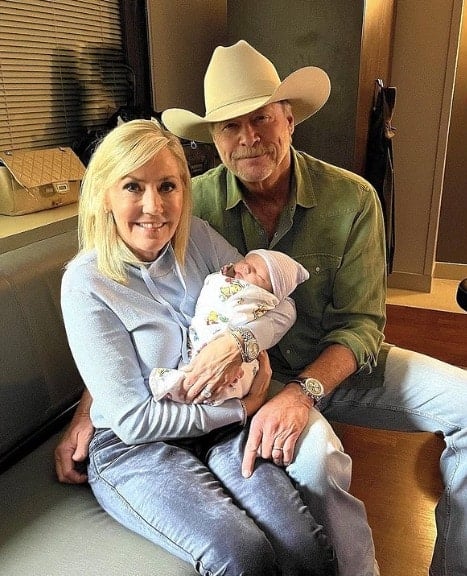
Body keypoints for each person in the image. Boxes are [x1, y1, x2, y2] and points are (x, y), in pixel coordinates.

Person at [54, 40, 467, 576]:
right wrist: (88, 411)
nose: (249, 138)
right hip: (252, 385)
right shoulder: (188, 205)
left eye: (261, 118)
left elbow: (363, 326)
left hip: (332, 365)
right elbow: (125, 320)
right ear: (214, 140)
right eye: (230, 126)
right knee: (317, 465)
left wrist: (300, 389)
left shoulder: (353, 198)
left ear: (288, 120)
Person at [59, 118, 337, 576]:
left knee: (300, 541)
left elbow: (280, 308)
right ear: (105, 195)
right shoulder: (86, 283)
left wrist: (239, 340)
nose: (154, 206)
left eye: (167, 186)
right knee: (241, 553)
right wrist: (243, 408)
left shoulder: (198, 240)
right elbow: (132, 418)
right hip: (134, 447)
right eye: (133, 186)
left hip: (217, 431)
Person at [149, 249, 309, 405]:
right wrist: (253, 402)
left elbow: (284, 307)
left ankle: (186, 386)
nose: (246, 267)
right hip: (204, 341)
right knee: (201, 365)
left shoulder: (261, 300)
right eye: (246, 261)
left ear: (270, 294)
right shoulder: (224, 277)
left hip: (239, 359)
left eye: (258, 275)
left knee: (228, 374)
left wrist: (237, 342)